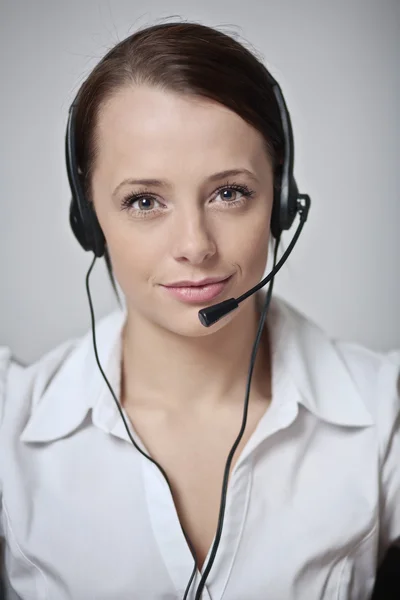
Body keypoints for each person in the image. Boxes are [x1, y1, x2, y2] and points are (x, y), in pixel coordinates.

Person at [0, 20, 399, 600]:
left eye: (229, 193)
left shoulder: (383, 416)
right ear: (88, 219)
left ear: (282, 201)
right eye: (144, 200)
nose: (195, 244)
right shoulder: (10, 424)